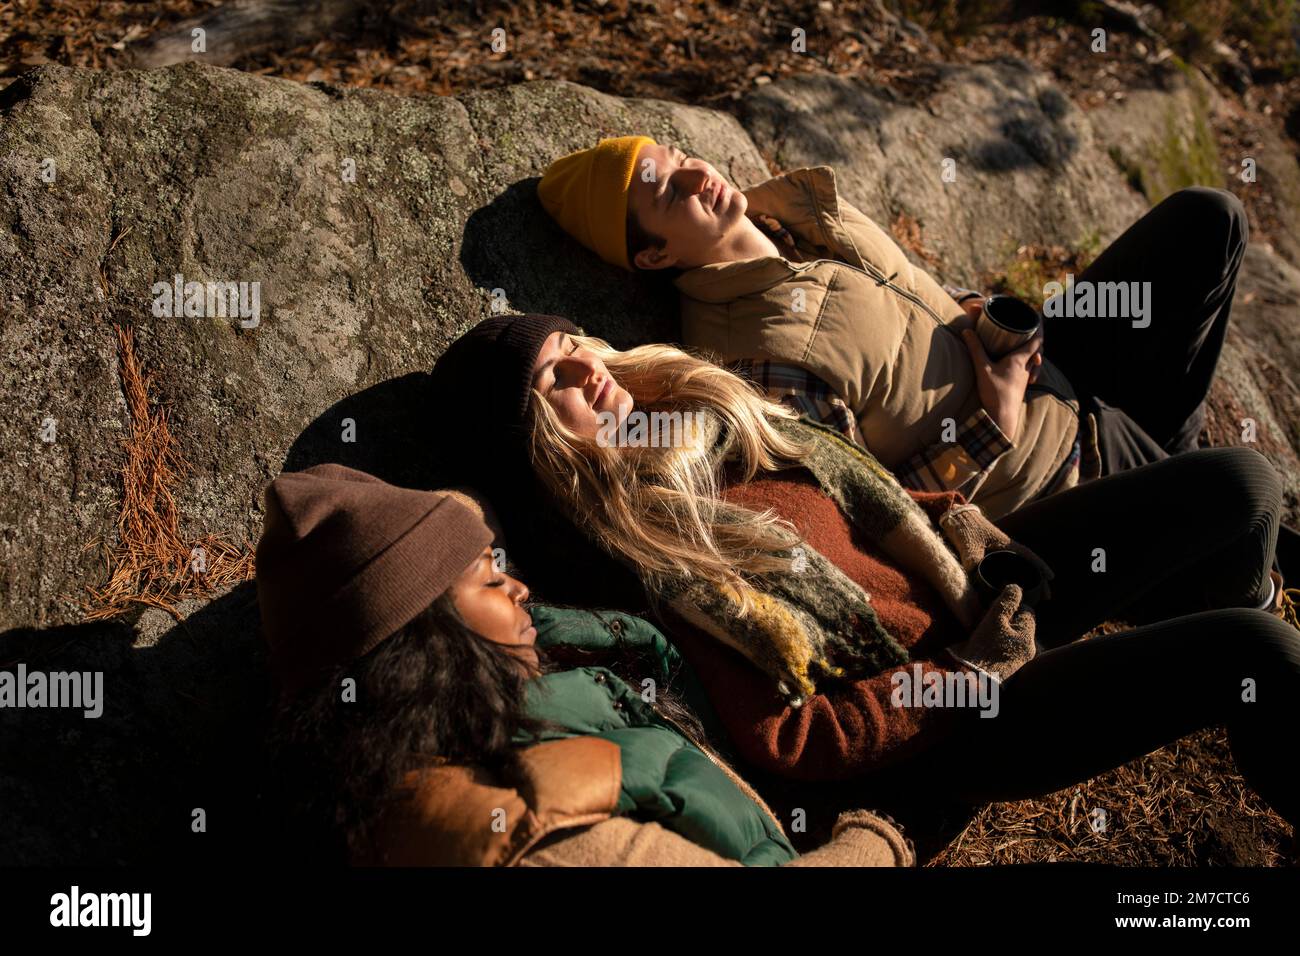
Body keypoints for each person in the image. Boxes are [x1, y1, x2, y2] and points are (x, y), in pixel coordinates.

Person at [427, 313, 1300, 845]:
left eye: (578, 346)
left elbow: (863, 502)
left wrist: (958, 523)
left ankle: (1243, 638)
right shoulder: (655, 568)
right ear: (537, 445)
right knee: (1254, 655)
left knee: (1243, 484)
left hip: (971, 585)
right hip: (964, 718)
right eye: (557, 380)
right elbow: (799, 742)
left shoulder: (709, 419)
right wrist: (962, 677)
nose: (591, 369)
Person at [537, 136, 1249, 524]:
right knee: (1249, 496)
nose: (694, 176)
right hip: (1059, 477)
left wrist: (971, 310)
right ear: (655, 255)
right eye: (664, 192)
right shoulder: (756, 356)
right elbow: (872, 513)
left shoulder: (796, 216)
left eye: (673, 159)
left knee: (1210, 220)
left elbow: (904, 293)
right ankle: (1195, 523)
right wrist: (994, 419)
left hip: (1057, 372)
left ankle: (1175, 465)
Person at [254, 462, 912, 867]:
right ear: (425, 646)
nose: (519, 589)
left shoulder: (421, 788)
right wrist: (879, 841)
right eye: (490, 581)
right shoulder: (543, 836)